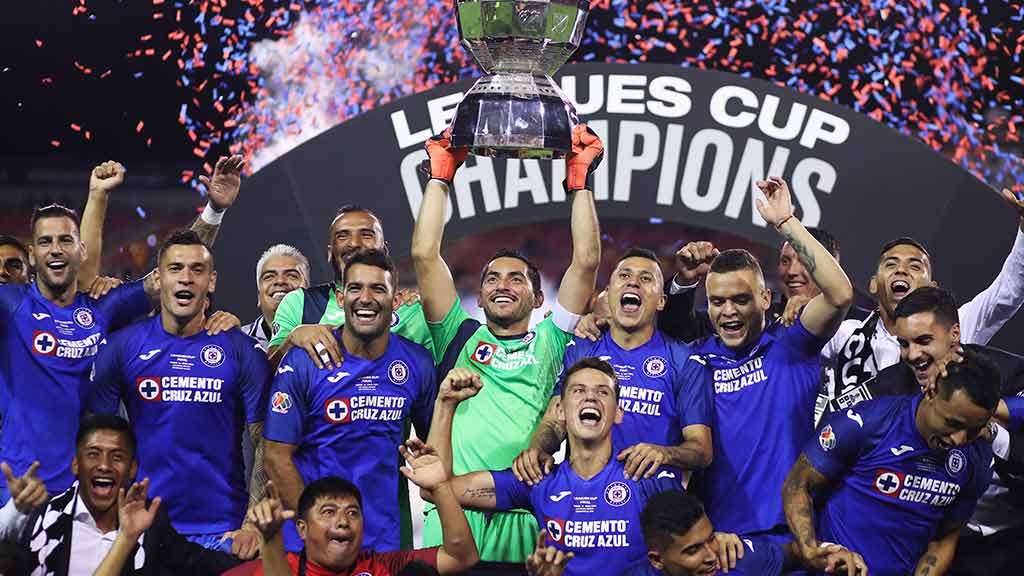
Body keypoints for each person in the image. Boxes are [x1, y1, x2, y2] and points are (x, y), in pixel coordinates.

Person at [0, 157, 243, 502]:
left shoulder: (105, 307)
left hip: (85, 497)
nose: (56, 250)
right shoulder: (11, 304)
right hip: (15, 491)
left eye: (65, 241)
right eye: (46, 243)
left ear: (80, 249)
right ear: (32, 255)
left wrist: (214, 211)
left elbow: (176, 272)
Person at [412, 124, 603, 561]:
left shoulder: (554, 339)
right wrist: (440, 176)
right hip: (455, 508)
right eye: (492, 278)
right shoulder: (457, 334)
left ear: (538, 298)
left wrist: (579, 181)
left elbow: (587, 261)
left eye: (516, 278)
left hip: (527, 510)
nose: (503, 285)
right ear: (478, 297)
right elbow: (425, 256)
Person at [810, 286, 1024, 575]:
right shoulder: (887, 388)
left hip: (1008, 536)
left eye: (923, 341)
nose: (912, 355)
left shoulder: (998, 374)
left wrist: (996, 418)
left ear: (955, 334)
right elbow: (827, 441)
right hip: (927, 544)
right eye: (904, 343)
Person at [85, 230, 270, 557]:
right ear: (159, 278)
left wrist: (251, 523)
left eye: (197, 270)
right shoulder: (123, 347)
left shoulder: (242, 351)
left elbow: (265, 442)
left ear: (211, 281)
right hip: (145, 527)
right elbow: (98, 441)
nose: (186, 279)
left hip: (224, 530)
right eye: (176, 269)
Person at [693, 176, 853, 543]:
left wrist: (786, 223)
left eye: (741, 300)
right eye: (718, 302)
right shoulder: (696, 360)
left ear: (765, 300)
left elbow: (840, 294)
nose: (728, 312)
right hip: (719, 544)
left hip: (791, 539)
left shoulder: (792, 345)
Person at [425, 358, 682, 575]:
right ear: (560, 410)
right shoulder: (538, 479)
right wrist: (445, 404)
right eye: (578, 391)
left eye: (603, 392)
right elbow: (436, 488)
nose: (590, 397)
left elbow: (689, 553)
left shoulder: (649, 477)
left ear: (618, 412)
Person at [263, 249, 437, 554]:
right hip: (312, 544)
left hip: (382, 541)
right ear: (341, 298)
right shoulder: (305, 360)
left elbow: (433, 448)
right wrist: (317, 528)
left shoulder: (417, 363)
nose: (366, 298)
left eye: (378, 288)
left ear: (396, 301)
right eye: (355, 288)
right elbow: (276, 458)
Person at [783, 347, 999, 575]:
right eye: (953, 423)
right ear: (930, 392)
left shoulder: (977, 456)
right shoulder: (865, 424)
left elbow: (944, 538)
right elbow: (797, 485)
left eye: (974, 430)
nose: (960, 439)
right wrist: (809, 549)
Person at [516, 247, 712, 486]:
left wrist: (664, 453)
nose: (633, 283)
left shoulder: (684, 361)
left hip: (654, 507)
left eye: (646, 278)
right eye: (624, 276)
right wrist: (538, 450)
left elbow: (701, 450)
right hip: (584, 500)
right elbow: (556, 420)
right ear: (608, 294)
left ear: (661, 301)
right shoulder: (580, 349)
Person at [821, 188, 1024, 413]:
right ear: (873, 284)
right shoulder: (844, 333)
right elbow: (795, 349)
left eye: (915, 266)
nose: (901, 270)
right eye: (891, 264)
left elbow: (1007, 293)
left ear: (931, 287)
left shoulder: (952, 326)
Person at [0, 414, 240, 575]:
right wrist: (17, 510)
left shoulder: (150, 524)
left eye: (117, 457)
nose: (104, 465)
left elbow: (199, 563)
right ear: (75, 464)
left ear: (133, 468)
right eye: (93, 454)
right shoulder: (43, 519)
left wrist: (263, 545)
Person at [266, 205, 434, 369]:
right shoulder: (299, 303)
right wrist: (292, 339)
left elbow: (438, 375)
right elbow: (267, 378)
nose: (354, 243)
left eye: (366, 235)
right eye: (342, 236)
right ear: (330, 253)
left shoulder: (412, 310)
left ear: (384, 250)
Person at [661, 227, 857, 343]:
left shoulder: (862, 324)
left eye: (804, 261)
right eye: (785, 261)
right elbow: (681, 332)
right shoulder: (752, 313)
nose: (791, 272)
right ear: (765, 298)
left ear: (830, 266)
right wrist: (685, 280)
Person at [629, 490, 867, 576]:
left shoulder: (734, 559)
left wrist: (829, 553)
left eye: (710, 539)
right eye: (692, 550)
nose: (711, 555)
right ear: (657, 560)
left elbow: (794, 555)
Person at [244, 244, 311, 352]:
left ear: (308, 291)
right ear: (258, 295)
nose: (280, 281)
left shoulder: (329, 337)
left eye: (292, 275)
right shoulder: (236, 341)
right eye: (269, 276)